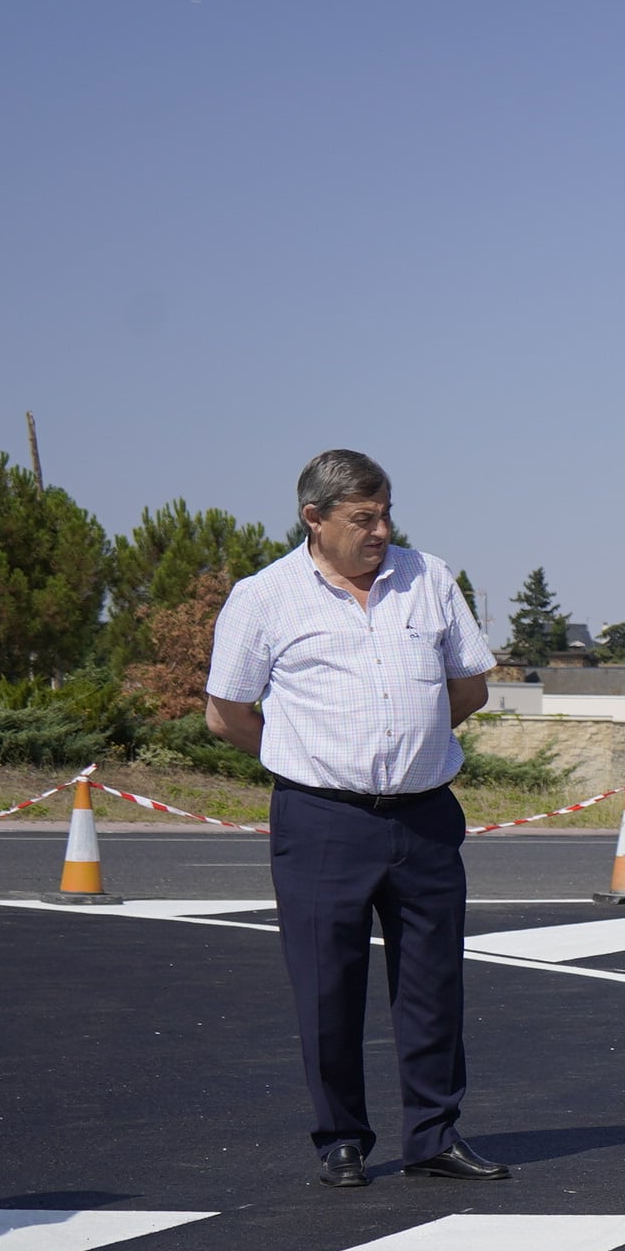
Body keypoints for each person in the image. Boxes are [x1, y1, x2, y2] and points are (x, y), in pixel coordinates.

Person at [205, 449, 507, 1188]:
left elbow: (468, 689)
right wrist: (302, 760)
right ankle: (341, 1139)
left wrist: (414, 745)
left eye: (385, 514)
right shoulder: (265, 596)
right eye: (362, 518)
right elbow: (227, 715)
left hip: (425, 818)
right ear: (314, 519)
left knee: (434, 985)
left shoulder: (428, 577)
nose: (380, 531)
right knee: (326, 986)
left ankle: (435, 1135)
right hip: (321, 821)